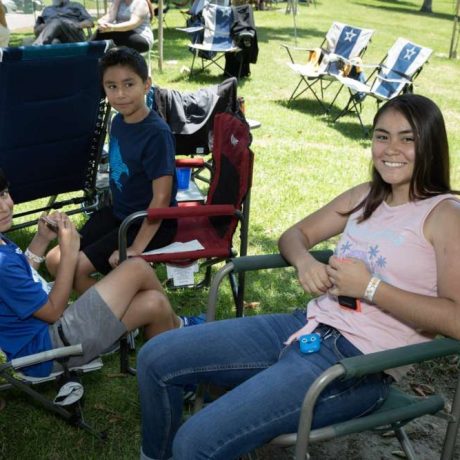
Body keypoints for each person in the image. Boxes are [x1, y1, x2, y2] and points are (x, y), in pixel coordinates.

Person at [136, 93, 460, 460]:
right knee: (156, 357)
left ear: (431, 144)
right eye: (382, 136)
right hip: (305, 326)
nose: (391, 148)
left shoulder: (445, 216)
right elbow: (293, 236)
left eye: (408, 138)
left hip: (358, 366)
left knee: (194, 442)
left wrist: (370, 288)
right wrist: (306, 263)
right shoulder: (366, 195)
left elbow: (456, 319)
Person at [0, 168, 202, 379]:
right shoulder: (2, 265)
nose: (5, 207)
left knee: (154, 303)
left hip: (51, 335)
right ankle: (181, 328)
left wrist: (41, 239)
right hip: (47, 351)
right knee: (136, 268)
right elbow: (52, 312)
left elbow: (22, 277)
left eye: (4, 194)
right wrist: (69, 255)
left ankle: (174, 376)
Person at [46, 47, 185, 302]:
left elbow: (161, 199)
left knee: (74, 270)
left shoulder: (157, 134)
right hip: (118, 213)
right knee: (55, 260)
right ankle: (116, 313)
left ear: (146, 85)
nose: (120, 95)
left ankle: (132, 316)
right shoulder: (118, 121)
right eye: (111, 86)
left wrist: (136, 248)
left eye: (128, 84)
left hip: (148, 223)